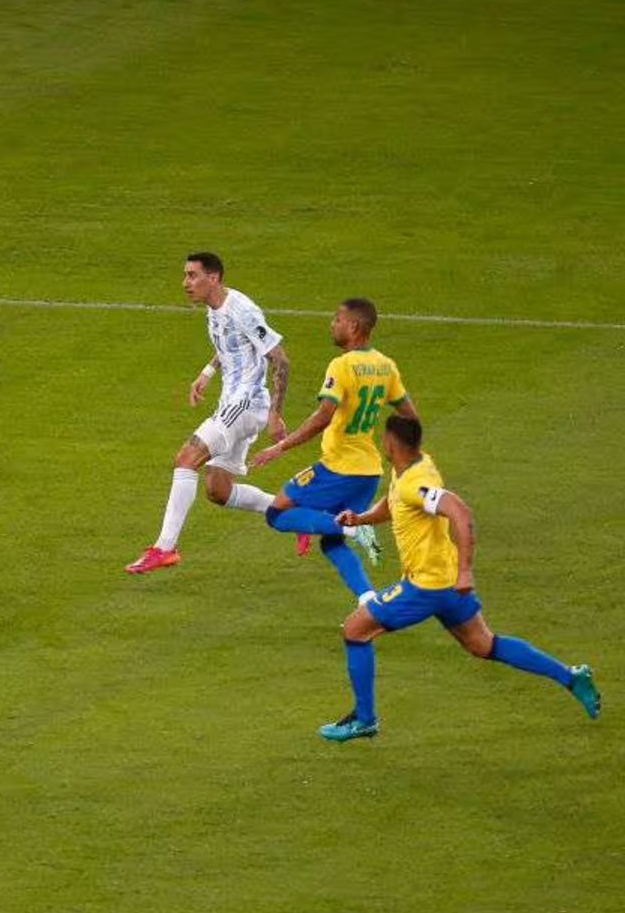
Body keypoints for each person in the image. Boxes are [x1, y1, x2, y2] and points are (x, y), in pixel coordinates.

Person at [317, 412, 600, 740]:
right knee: (483, 644)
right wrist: (361, 519)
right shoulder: (416, 467)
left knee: (355, 630)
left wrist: (467, 569)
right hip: (448, 581)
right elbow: (394, 501)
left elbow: (459, 512)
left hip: (426, 586)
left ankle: (364, 719)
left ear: (391, 442)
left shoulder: (414, 482)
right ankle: (570, 676)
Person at [126, 252, 289, 573]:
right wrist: (207, 372)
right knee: (218, 490)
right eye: (185, 275)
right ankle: (300, 515)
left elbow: (280, 359)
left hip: (244, 404)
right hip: (234, 400)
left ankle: (164, 548)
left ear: (213, 278)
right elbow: (228, 344)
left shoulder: (241, 309)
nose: (185, 283)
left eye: (192, 275)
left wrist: (274, 414)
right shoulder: (214, 307)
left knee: (186, 458)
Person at [245, 297, 416, 596]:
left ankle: (354, 527)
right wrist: (405, 459)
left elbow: (323, 417)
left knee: (278, 513)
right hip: (369, 472)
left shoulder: (343, 364)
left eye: (338, 319)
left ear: (353, 325)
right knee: (330, 540)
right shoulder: (385, 366)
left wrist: (280, 447)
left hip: (339, 468)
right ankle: (367, 599)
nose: (332, 324)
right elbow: (410, 416)